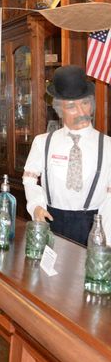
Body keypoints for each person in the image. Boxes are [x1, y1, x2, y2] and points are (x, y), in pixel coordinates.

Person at [23, 65, 111, 246]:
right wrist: (36, 206)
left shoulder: (108, 146)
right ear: (59, 109)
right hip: (52, 225)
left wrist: (106, 241)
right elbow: (29, 180)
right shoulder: (43, 142)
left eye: (85, 103)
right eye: (71, 106)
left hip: (94, 231)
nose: (81, 112)